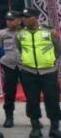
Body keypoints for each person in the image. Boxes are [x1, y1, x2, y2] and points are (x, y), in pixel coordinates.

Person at [16, 8, 61, 138]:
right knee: (32, 100)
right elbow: (20, 48)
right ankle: (35, 127)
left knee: (52, 100)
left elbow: (58, 49)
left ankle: (54, 128)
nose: (24, 19)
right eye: (23, 17)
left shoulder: (49, 32)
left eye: (28, 17)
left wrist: (50, 60)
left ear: (36, 17)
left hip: (48, 72)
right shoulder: (20, 34)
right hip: (28, 71)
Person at [0, 10, 23, 128]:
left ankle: (35, 119)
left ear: (19, 21)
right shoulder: (2, 33)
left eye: (12, 20)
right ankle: (9, 117)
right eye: (7, 20)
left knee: (31, 93)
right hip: (9, 65)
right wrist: (2, 59)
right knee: (9, 93)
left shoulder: (25, 32)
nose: (9, 22)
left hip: (25, 65)